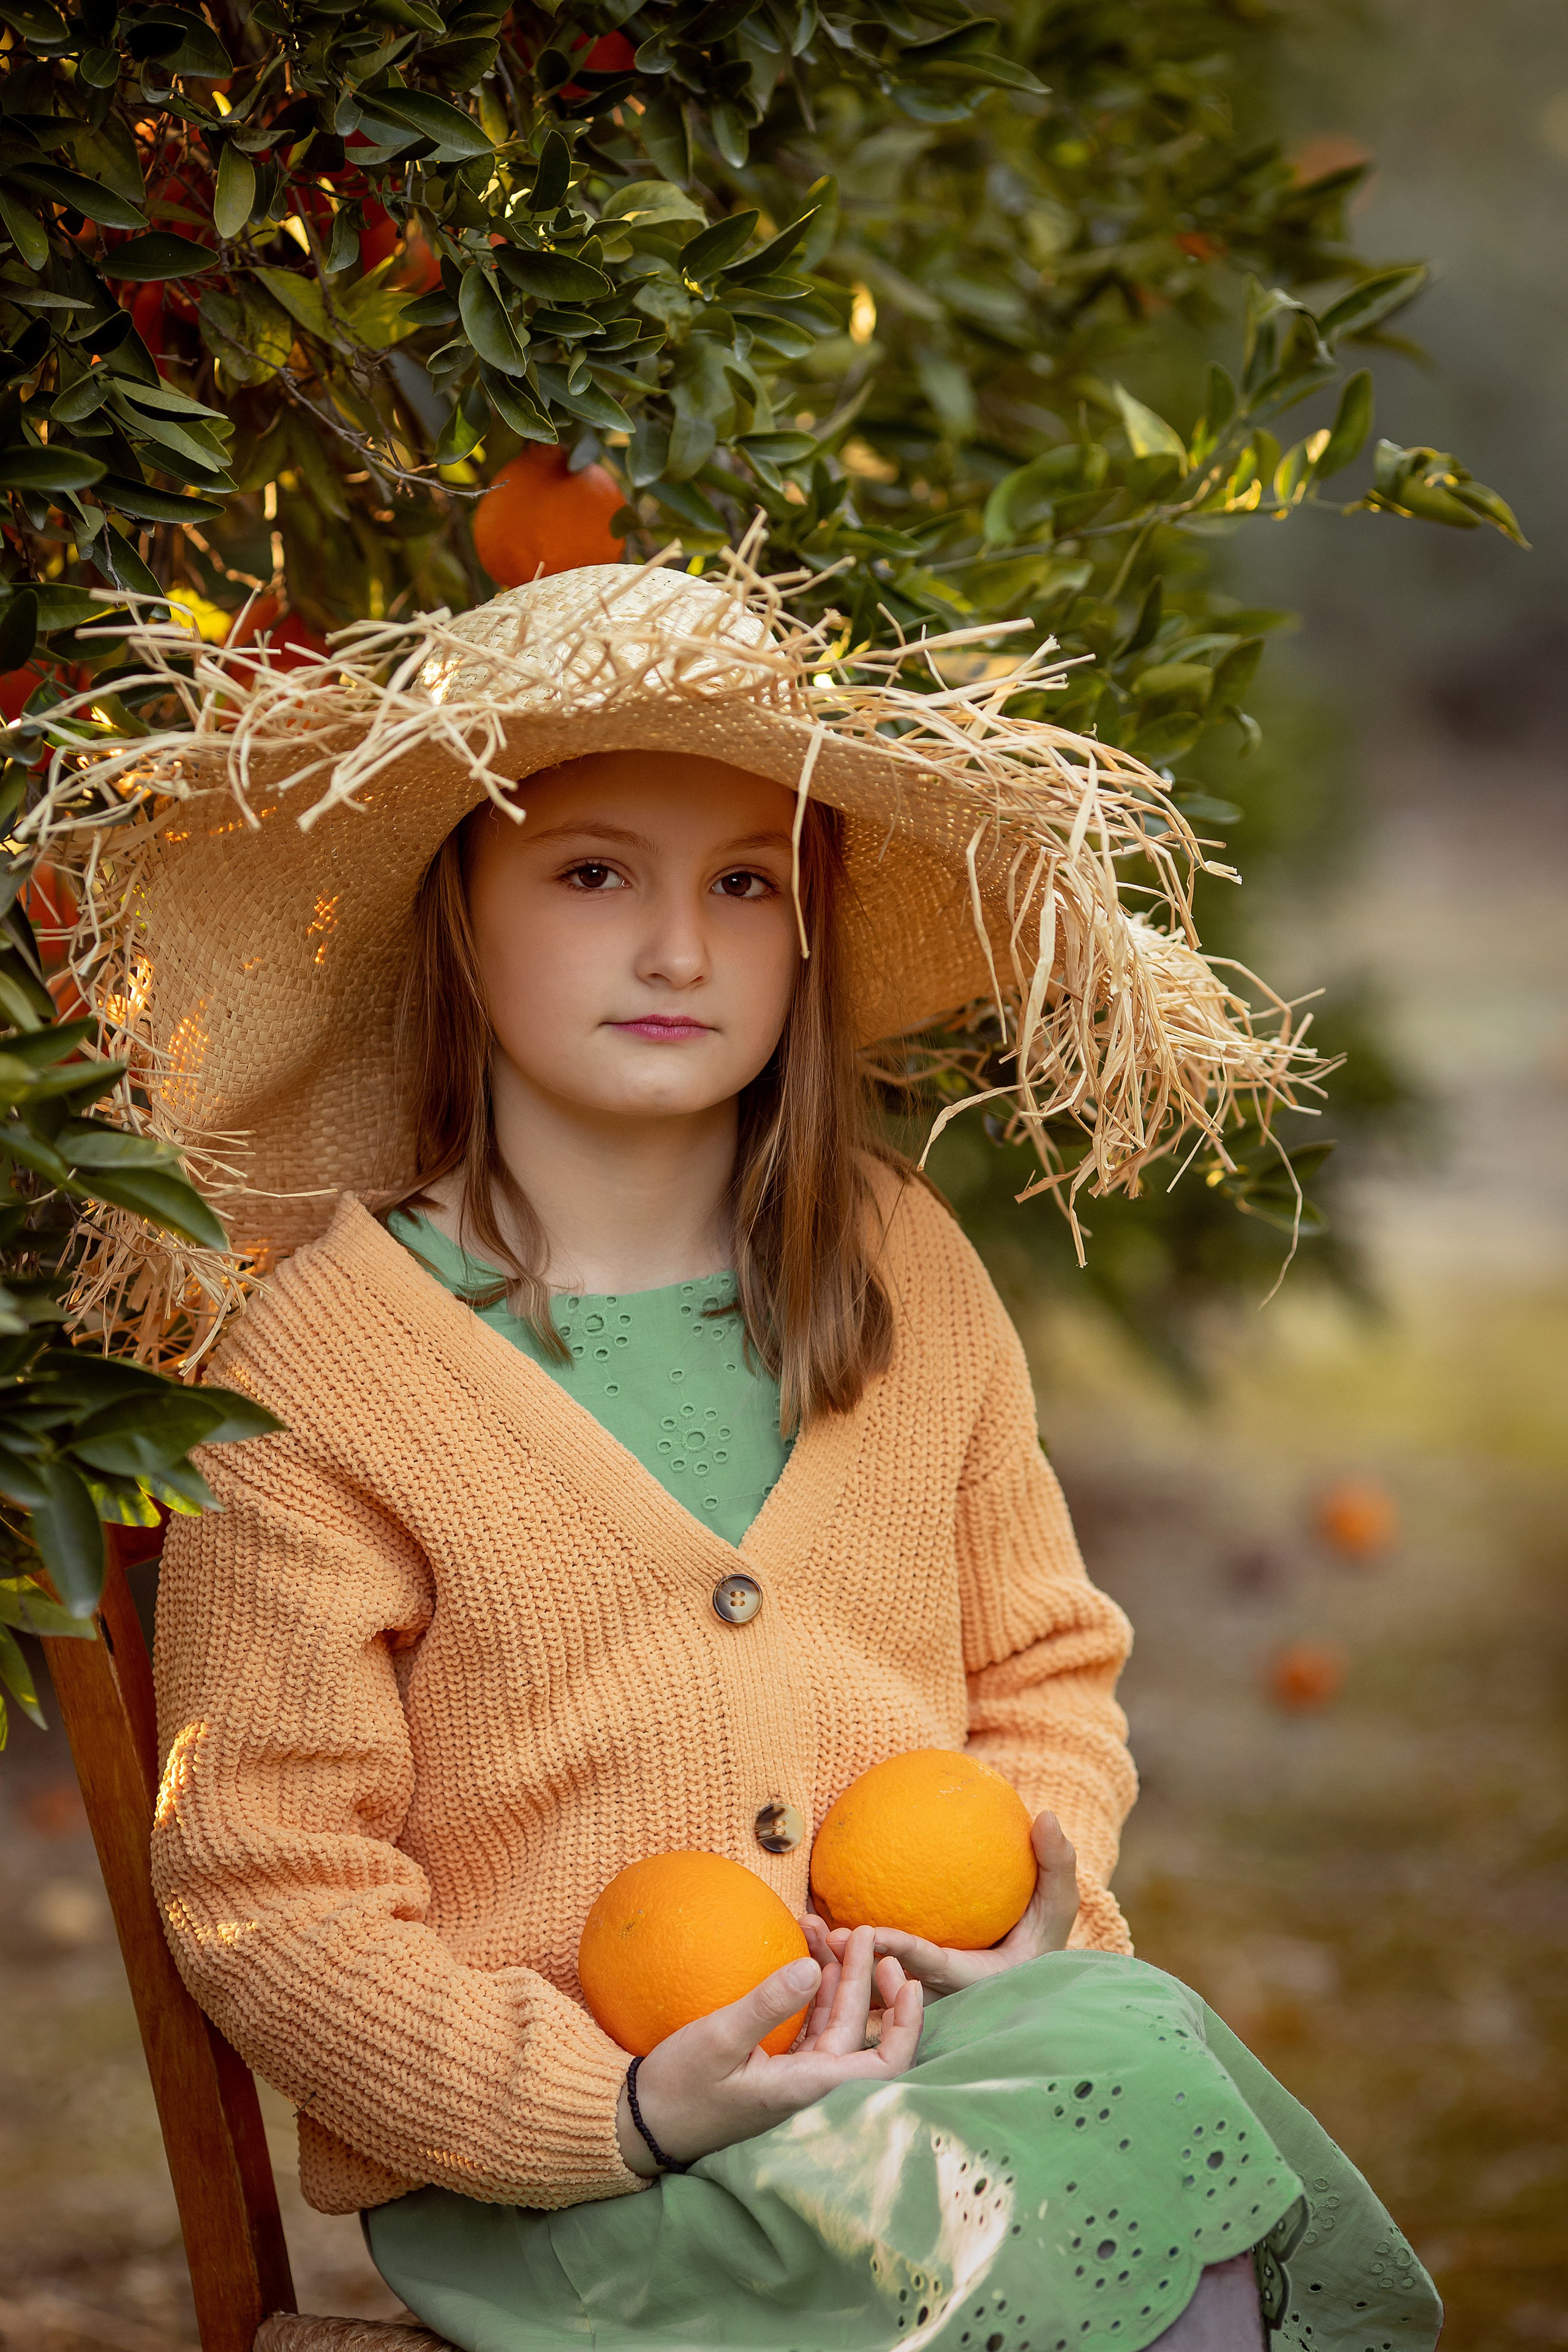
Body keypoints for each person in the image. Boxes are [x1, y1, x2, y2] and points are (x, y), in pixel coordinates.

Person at [69, 557, 1439, 2352]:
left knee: (1141, 2073)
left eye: (743, 882)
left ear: (807, 933)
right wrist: (619, 2106)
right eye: (592, 874)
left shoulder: (896, 1269)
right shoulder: (325, 1372)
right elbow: (270, 1883)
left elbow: (1043, 1671)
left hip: (943, 2058)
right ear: (457, 910)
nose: (678, 949)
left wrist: (1020, 1904)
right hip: (583, 2178)